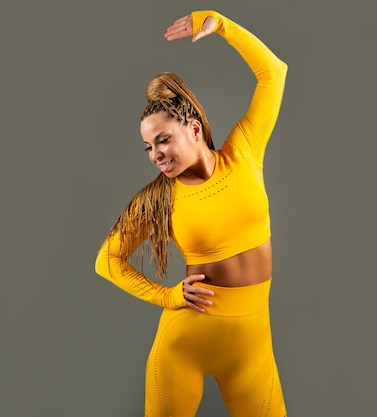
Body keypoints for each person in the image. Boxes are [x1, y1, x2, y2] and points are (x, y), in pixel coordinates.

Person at [95, 9, 288, 417]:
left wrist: (221, 24)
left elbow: (274, 73)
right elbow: (106, 260)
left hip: (253, 348)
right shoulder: (158, 200)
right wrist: (166, 296)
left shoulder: (243, 153)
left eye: (163, 140)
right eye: (148, 148)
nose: (156, 155)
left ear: (195, 129)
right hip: (185, 346)